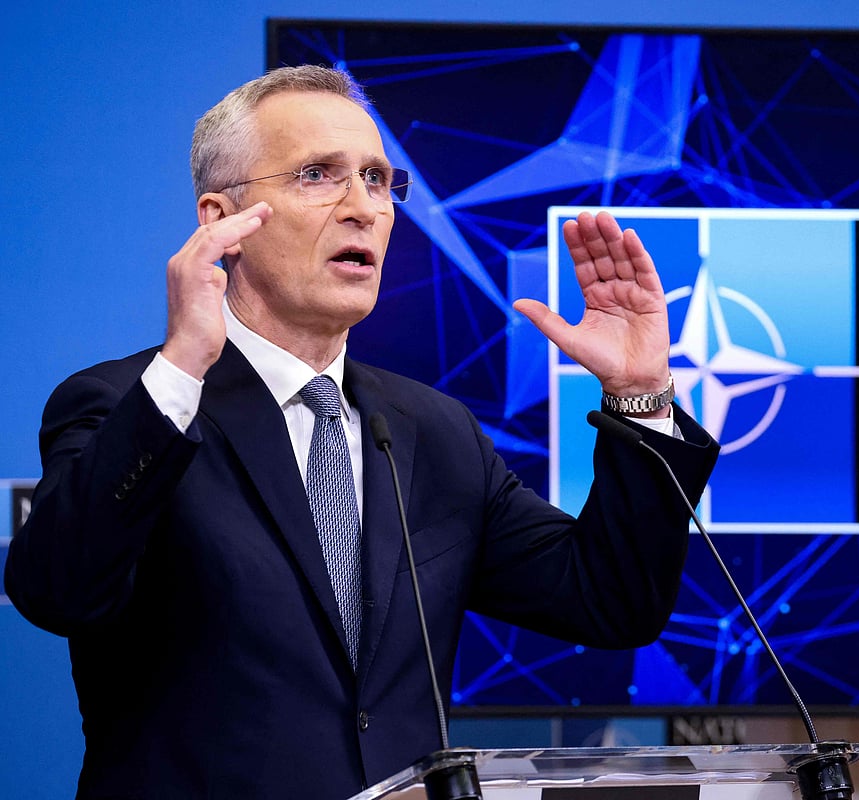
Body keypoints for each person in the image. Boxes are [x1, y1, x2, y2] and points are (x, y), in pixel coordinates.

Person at [4, 66, 718, 798]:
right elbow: (57, 592)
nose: (363, 208)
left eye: (378, 180)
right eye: (319, 175)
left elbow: (609, 601)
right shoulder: (130, 404)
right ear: (221, 221)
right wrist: (183, 362)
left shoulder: (433, 431)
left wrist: (639, 397)